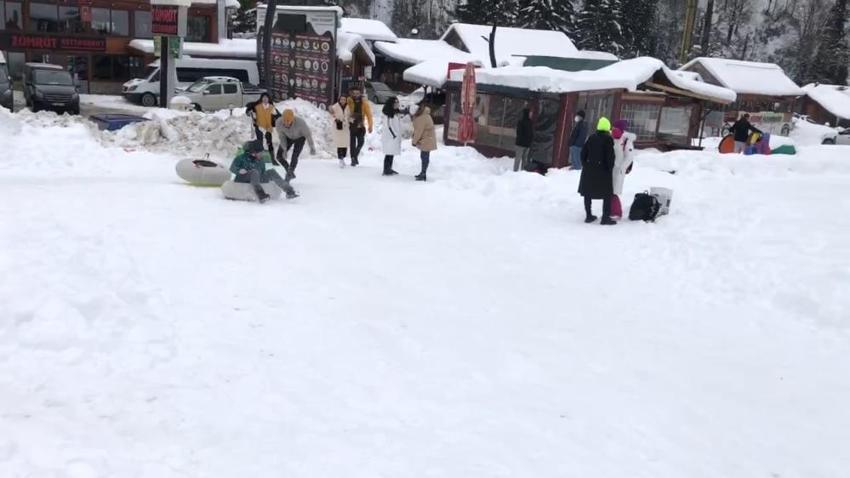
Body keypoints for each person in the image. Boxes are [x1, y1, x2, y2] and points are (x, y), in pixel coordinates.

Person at [230, 140, 298, 203]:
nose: (262, 154)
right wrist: (239, 170)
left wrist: (270, 177)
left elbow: (262, 172)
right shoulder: (241, 158)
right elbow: (232, 168)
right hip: (243, 178)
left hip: (257, 178)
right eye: (260, 153)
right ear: (253, 153)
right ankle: (260, 194)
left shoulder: (260, 160)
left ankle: (289, 191)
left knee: (271, 171)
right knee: (254, 172)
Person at [578, 117, 617, 225]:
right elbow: (610, 157)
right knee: (607, 194)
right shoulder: (608, 139)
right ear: (607, 128)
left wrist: (586, 165)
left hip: (589, 171)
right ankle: (605, 218)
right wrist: (609, 169)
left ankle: (589, 215)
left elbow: (583, 154)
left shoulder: (591, 137)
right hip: (603, 172)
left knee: (588, 193)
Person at [275, 109, 316, 181]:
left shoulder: (300, 123)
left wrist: (312, 147)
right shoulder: (278, 122)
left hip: (300, 137)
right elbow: (282, 137)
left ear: (292, 119)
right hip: (287, 137)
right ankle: (289, 171)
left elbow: (308, 135)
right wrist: (284, 149)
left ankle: (289, 174)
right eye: (285, 121)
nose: (286, 123)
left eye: (289, 121)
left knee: (295, 155)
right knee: (279, 156)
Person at [611, 119, 636, 220]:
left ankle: (617, 212)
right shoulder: (612, 137)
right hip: (610, 168)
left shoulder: (626, 140)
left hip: (619, 170)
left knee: (613, 191)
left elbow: (629, 157)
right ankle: (612, 211)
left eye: (616, 128)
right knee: (609, 191)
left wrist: (622, 168)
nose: (613, 129)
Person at [245, 93, 280, 164]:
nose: (265, 99)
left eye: (266, 98)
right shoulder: (257, 106)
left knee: (269, 143)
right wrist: (248, 111)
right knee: (259, 143)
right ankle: (258, 159)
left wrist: (277, 117)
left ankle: (273, 159)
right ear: (261, 99)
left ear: (269, 99)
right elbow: (249, 110)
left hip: (267, 127)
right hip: (259, 127)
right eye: (263, 98)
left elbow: (278, 115)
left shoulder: (271, 107)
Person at [346, 87, 374, 166]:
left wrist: (370, 125)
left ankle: (355, 156)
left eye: (357, 93)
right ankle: (353, 159)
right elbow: (342, 108)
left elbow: (369, 115)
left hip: (361, 125)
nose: (356, 95)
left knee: (361, 142)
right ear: (352, 93)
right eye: (354, 93)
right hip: (352, 124)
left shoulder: (364, 102)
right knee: (352, 143)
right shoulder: (349, 101)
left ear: (360, 94)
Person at [412, 103, 437, 181]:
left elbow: (418, 131)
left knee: (424, 157)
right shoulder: (424, 115)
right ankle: (423, 173)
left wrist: (414, 141)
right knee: (424, 156)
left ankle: (423, 174)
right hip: (427, 138)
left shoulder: (421, 118)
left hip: (427, 139)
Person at [381, 97, 402, 176]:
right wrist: (394, 135)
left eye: (397, 102)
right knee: (389, 153)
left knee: (391, 152)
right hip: (390, 137)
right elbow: (389, 126)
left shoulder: (395, 112)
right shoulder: (388, 113)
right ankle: (386, 169)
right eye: (395, 103)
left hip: (393, 137)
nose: (397, 104)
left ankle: (389, 168)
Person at [330, 94, 350, 168]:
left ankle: (343, 157)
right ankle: (340, 159)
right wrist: (336, 120)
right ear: (339, 100)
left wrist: (350, 120)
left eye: (344, 99)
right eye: (341, 99)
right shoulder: (335, 106)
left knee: (345, 144)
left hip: (345, 128)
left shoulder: (348, 107)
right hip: (338, 127)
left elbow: (349, 115)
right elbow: (331, 115)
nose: (343, 101)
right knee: (339, 144)